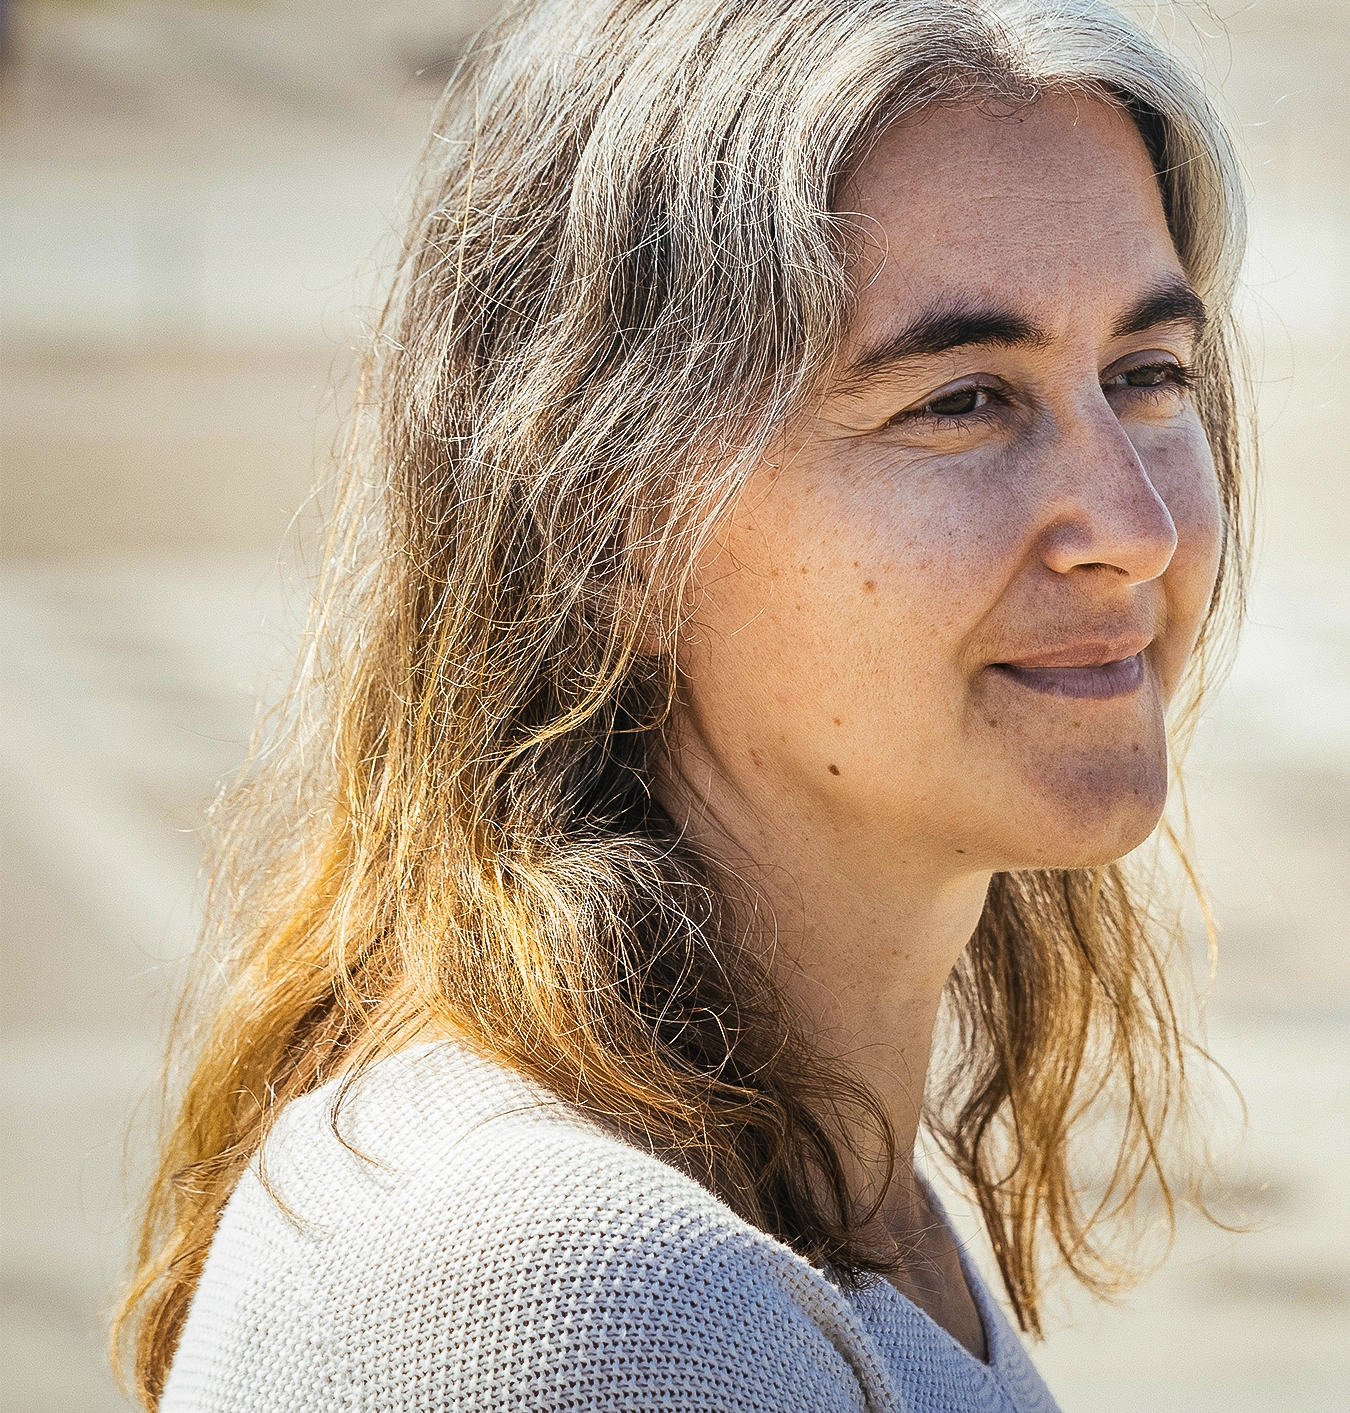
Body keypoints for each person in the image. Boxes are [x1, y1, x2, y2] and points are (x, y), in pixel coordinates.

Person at [117, 0, 1250, 1407]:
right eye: (962, 400)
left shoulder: (802, 1188)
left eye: (1147, 376)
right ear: (608, 516)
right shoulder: (581, 1293)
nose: (1131, 529)